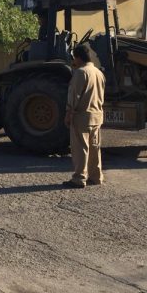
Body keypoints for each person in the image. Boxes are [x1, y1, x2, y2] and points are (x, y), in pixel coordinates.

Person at [63, 44, 105, 188]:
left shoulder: (81, 72)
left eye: (74, 58)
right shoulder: (99, 73)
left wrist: (68, 114)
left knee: (80, 148)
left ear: (78, 57)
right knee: (94, 147)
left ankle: (79, 178)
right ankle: (96, 176)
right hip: (97, 115)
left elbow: (74, 96)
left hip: (82, 116)